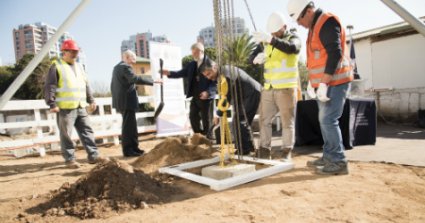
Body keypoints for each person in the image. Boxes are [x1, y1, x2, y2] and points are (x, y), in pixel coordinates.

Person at [287, 0, 353, 174]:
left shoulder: (326, 22)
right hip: (325, 83)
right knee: (324, 121)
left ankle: (338, 162)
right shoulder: (314, 27)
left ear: (308, 11)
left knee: (328, 120)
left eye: (299, 19)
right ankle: (330, 156)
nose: (299, 24)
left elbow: (335, 53)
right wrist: (312, 82)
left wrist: (323, 82)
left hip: (336, 81)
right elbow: (318, 58)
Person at [44, 39, 107, 168]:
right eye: (71, 51)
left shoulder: (79, 66)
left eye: (76, 52)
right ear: (64, 52)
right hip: (65, 108)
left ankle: (93, 156)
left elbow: (86, 85)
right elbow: (50, 86)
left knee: (87, 131)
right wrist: (52, 103)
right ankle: (70, 159)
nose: (74, 54)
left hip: (80, 105)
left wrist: (91, 100)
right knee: (66, 134)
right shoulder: (56, 66)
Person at [250, 12, 301, 160]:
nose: (274, 34)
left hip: (286, 88)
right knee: (264, 120)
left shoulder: (293, 38)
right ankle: (265, 150)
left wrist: (270, 39)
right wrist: (255, 60)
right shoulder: (266, 42)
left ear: (284, 27)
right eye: (271, 32)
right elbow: (250, 57)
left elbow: (292, 48)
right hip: (268, 88)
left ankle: (286, 151)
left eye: (276, 32)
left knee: (287, 122)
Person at [200, 59, 261, 155]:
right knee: (239, 121)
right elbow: (223, 96)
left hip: (251, 93)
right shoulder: (221, 76)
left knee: (240, 121)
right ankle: (248, 147)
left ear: (214, 67)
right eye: (206, 76)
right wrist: (218, 113)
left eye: (209, 73)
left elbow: (227, 96)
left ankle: (244, 150)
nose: (208, 77)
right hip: (241, 97)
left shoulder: (226, 73)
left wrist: (218, 113)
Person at [111, 50, 161, 157]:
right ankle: (128, 150)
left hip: (122, 102)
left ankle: (134, 148)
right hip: (126, 101)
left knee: (131, 126)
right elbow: (134, 79)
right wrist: (153, 80)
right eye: (133, 57)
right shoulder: (125, 67)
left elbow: (114, 86)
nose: (135, 59)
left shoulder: (116, 68)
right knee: (128, 127)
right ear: (127, 57)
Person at [162, 43, 217, 136]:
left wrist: (208, 92)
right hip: (195, 96)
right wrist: (169, 73)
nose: (193, 55)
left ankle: (208, 137)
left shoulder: (211, 63)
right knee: (192, 117)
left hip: (206, 97)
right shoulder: (191, 64)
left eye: (194, 52)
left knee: (206, 119)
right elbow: (181, 73)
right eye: (192, 53)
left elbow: (215, 82)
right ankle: (198, 136)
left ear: (200, 51)